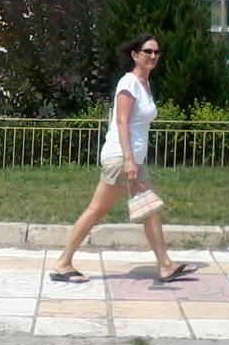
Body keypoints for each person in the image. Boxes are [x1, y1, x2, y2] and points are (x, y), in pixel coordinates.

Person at [50, 34, 197, 284]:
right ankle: (63, 263)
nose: (153, 56)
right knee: (98, 210)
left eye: (156, 52)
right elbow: (122, 122)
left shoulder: (144, 84)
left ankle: (165, 265)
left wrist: (134, 160)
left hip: (134, 159)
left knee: (149, 209)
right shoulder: (129, 82)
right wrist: (129, 160)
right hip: (121, 157)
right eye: (147, 51)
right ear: (135, 55)